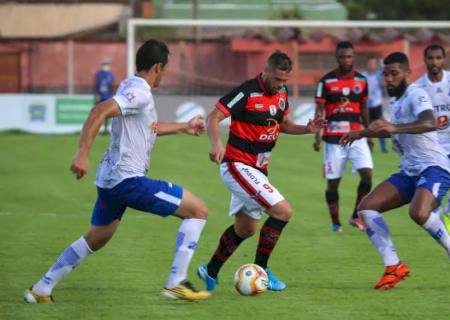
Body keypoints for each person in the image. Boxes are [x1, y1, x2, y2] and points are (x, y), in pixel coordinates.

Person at [24, 39, 211, 303]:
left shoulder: (129, 85)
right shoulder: (141, 93)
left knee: (96, 238)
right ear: (158, 66)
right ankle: (176, 283)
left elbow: (148, 127)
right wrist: (82, 153)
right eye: (165, 68)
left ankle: (41, 289)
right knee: (198, 211)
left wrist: (183, 126)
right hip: (128, 180)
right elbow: (99, 110)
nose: (165, 74)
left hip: (110, 180)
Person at [196, 51, 325, 292]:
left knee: (246, 229)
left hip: (258, 169)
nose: (281, 85)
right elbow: (214, 117)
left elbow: (283, 125)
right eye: (277, 80)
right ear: (265, 71)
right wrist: (216, 145)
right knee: (283, 211)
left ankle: (210, 270)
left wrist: (306, 129)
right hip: (237, 165)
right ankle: (262, 272)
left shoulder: (282, 94)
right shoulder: (246, 92)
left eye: (285, 81)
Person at [341, 52, 450, 290]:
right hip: (409, 170)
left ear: (407, 73)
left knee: (419, 213)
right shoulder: (397, 101)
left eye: (394, 74)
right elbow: (390, 130)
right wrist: (361, 133)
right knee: (366, 208)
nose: (388, 79)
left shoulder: (416, 94)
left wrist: (394, 126)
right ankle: (393, 266)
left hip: (433, 166)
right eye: (385, 74)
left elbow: (430, 122)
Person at [313, 41, 373, 233]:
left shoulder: (362, 81)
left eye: (349, 56)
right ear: (336, 58)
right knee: (333, 183)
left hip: (357, 135)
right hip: (333, 139)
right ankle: (336, 223)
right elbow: (319, 110)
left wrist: (369, 132)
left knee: (368, 175)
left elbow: (364, 108)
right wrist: (316, 135)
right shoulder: (326, 81)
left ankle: (356, 216)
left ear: (353, 57)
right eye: (342, 57)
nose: (346, 60)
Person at [415, 44, 450, 232]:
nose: (434, 62)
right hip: (434, 150)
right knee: (430, 204)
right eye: (430, 58)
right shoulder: (418, 88)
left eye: (438, 58)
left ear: (443, 59)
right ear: (425, 60)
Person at [363, 56, 388, 153]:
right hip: (366, 106)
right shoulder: (363, 76)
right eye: (369, 64)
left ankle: (383, 148)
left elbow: (384, 84)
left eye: (373, 64)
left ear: (376, 66)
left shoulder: (379, 75)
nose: (371, 66)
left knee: (380, 126)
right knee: (368, 126)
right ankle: (370, 146)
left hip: (377, 105)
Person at [95, 59, 115, 134]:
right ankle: (97, 129)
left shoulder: (111, 74)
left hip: (108, 97)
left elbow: (112, 86)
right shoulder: (98, 74)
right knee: (98, 114)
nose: (105, 66)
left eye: (107, 64)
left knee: (106, 114)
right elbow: (96, 85)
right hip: (100, 96)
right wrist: (96, 95)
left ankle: (106, 129)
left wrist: (112, 95)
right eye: (104, 64)